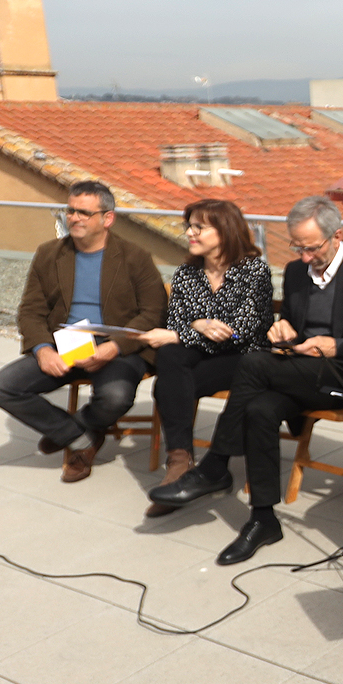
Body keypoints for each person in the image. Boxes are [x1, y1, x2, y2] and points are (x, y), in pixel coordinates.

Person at [146, 196, 343, 564]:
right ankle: (263, 519)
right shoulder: (295, 272)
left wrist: (337, 345)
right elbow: (293, 327)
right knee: (260, 408)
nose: (305, 256)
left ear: (337, 235)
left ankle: (215, 467)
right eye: (298, 247)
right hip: (302, 371)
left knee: (254, 363)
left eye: (311, 248)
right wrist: (285, 331)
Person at [0, 181, 166, 482]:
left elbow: (154, 311)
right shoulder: (49, 253)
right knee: (1, 387)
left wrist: (115, 347)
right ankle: (81, 438)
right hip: (68, 342)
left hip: (118, 342)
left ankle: (78, 429)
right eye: (71, 210)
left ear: (107, 218)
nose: (74, 218)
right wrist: (42, 349)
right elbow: (31, 310)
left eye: (84, 212)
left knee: (115, 396)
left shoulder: (135, 256)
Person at [137, 199, 273, 501]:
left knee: (168, 384)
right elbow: (177, 322)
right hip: (201, 356)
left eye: (199, 227)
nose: (189, 233)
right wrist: (198, 326)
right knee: (171, 358)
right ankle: (180, 459)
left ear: (224, 231)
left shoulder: (254, 271)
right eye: (189, 226)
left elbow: (242, 331)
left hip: (245, 359)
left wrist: (188, 331)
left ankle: (189, 470)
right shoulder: (187, 273)